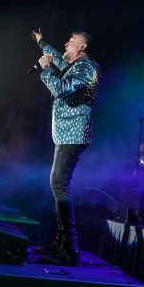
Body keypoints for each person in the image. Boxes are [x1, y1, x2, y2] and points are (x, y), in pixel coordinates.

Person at [31, 28, 101, 265]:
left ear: (82, 47)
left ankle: (70, 248)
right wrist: (42, 42)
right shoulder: (75, 65)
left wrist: (46, 70)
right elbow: (59, 60)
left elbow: (62, 89)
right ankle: (62, 243)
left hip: (74, 134)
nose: (66, 43)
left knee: (59, 184)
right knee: (58, 185)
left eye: (71, 41)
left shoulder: (87, 67)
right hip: (65, 136)